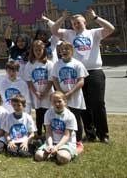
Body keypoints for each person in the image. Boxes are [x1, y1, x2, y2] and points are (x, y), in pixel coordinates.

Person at [51, 9, 114, 143]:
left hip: (94, 71)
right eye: (73, 23)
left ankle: (103, 134)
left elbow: (111, 28)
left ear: (85, 22)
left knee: (98, 103)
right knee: (83, 105)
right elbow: (54, 30)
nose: (76, 25)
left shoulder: (94, 33)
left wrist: (96, 17)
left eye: (78, 22)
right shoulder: (69, 34)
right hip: (76, 73)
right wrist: (62, 18)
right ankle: (90, 133)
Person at [52, 41, 87, 151]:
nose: (64, 51)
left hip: (74, 96)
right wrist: (60, 92)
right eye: (62, 49)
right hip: (62, 96)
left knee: (75, 118)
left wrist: (70, 93)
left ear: (72, 50)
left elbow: (81, 81)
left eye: (67, 49)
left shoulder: (77, 64)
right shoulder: (57, 64)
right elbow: (55, 79)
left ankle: (78, 141)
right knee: (63, 117)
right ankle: (63, 138)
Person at [35, 91, 78, 165]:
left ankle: (59, 154)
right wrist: (50, 145)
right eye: (54, 102)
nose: (57, 104)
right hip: (52, 142)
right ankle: (54, 154)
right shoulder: (48, 113)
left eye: (59, 101)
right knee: (38, 156)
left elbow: (66, 136)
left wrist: (57, 147)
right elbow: (48, 132)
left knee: (63, 157)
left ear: (65, 102)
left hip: (66, 143)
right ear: (51, 103)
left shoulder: (70, 116)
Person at [24, 40, 54, 138]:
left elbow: (51, 80)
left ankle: (48, 132)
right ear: (32, 51)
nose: (38, 52)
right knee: (39, 113)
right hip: (36, 93)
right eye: (36, 50)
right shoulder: (29, 64)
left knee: (47, 112)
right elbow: (29, 81)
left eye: (40, 50)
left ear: (44, 50)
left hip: (47, 93)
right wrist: (36, 92)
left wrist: (45, 92)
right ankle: (39, 132)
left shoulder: (49, 64)